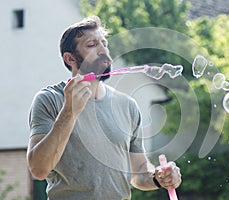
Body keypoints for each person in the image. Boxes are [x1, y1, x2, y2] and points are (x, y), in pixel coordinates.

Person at [26, 16, 182, 199]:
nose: (103, 50)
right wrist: (69, 112)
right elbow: (39, 169)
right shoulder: (49, 100)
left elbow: (139, 170)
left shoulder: (127, 106)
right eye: (92, 45)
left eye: (104, 43)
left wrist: (158, 177)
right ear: (70, 58)